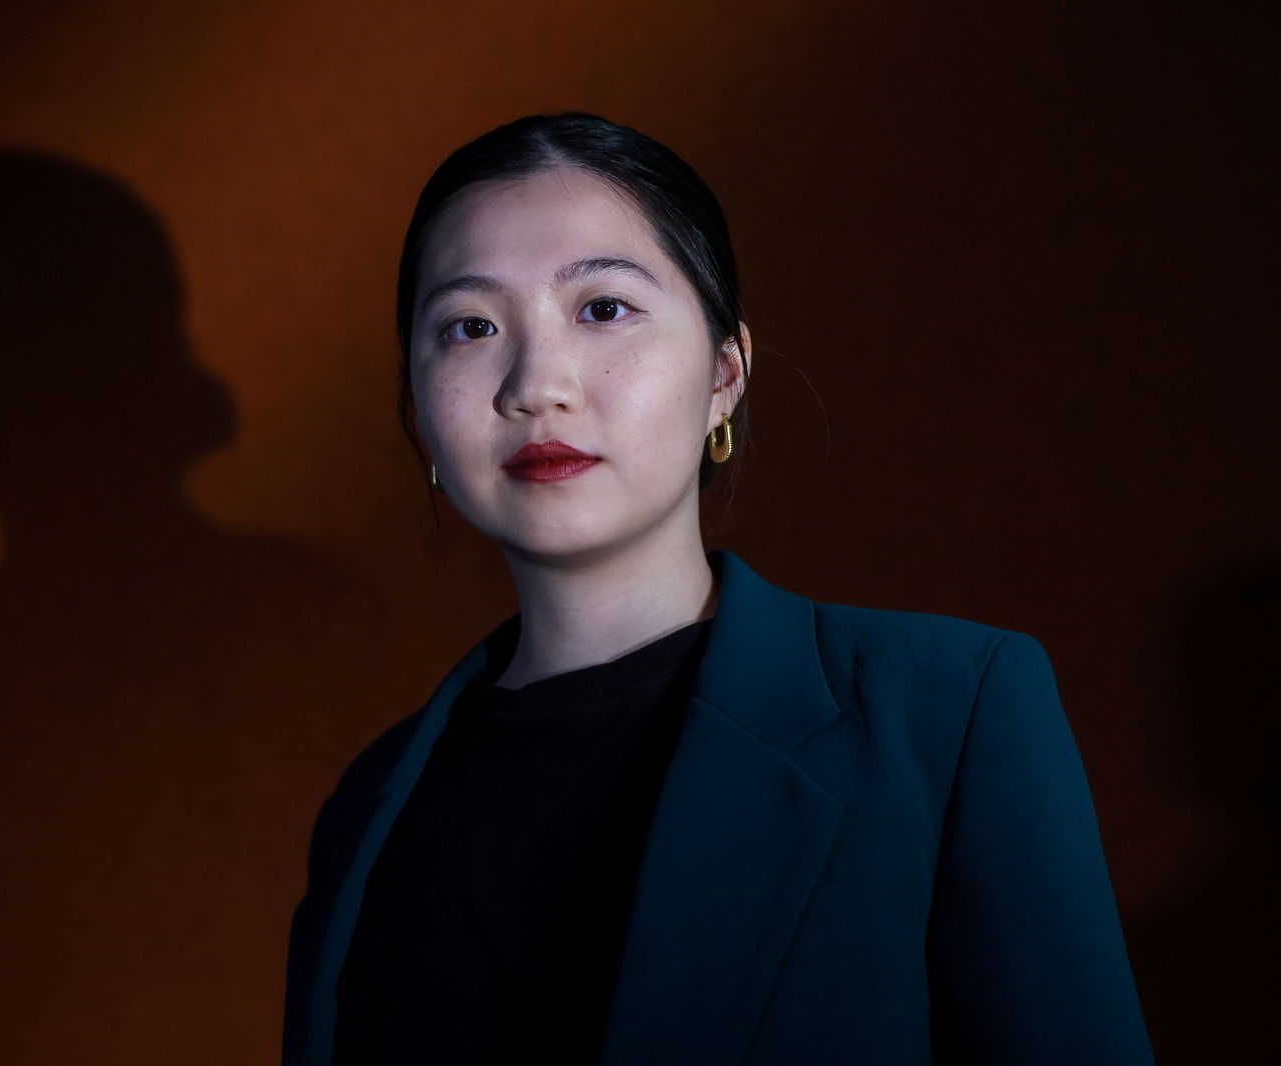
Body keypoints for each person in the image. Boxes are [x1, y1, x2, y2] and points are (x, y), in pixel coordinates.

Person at [283, 112, 1155, 1066]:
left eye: (603, 308)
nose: (538, 384)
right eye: (471, 326)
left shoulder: (949, 710)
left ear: (724, 377)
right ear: (419, 403)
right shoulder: (372, 806)